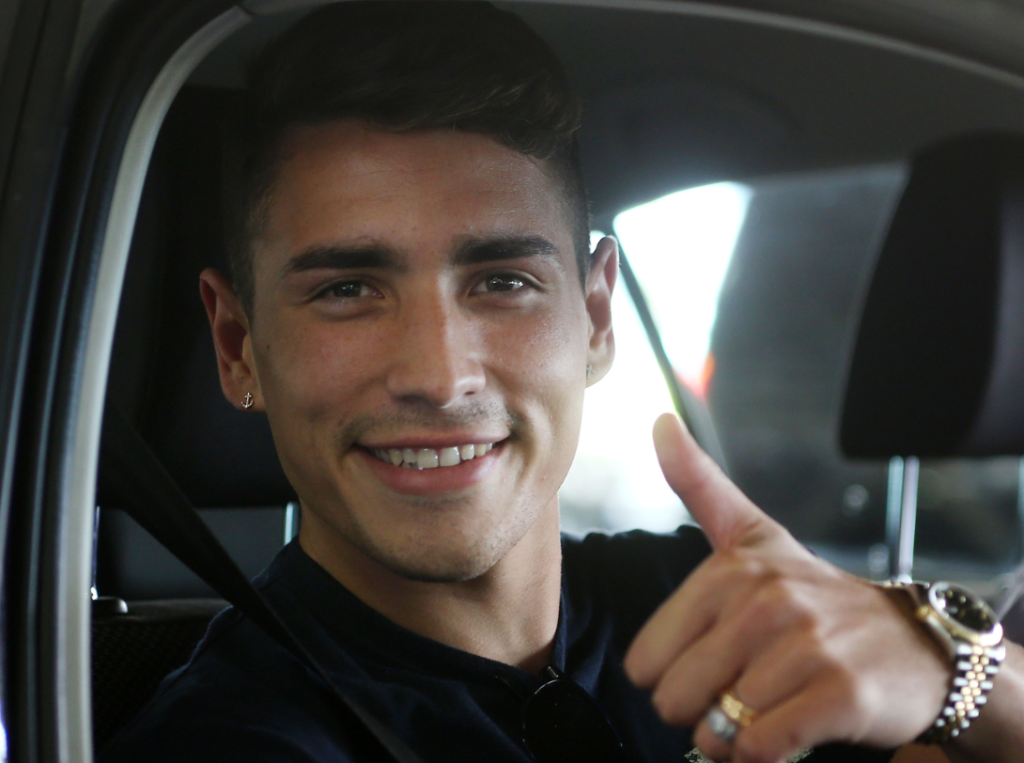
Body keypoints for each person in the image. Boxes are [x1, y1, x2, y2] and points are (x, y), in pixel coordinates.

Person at [100, 3, 1024, 762]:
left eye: (502, 281)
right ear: (238, 346)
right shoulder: (233, 737)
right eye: (348, 290)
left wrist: (958, 674)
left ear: (596, 316)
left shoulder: (707, 599)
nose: (440, 375)